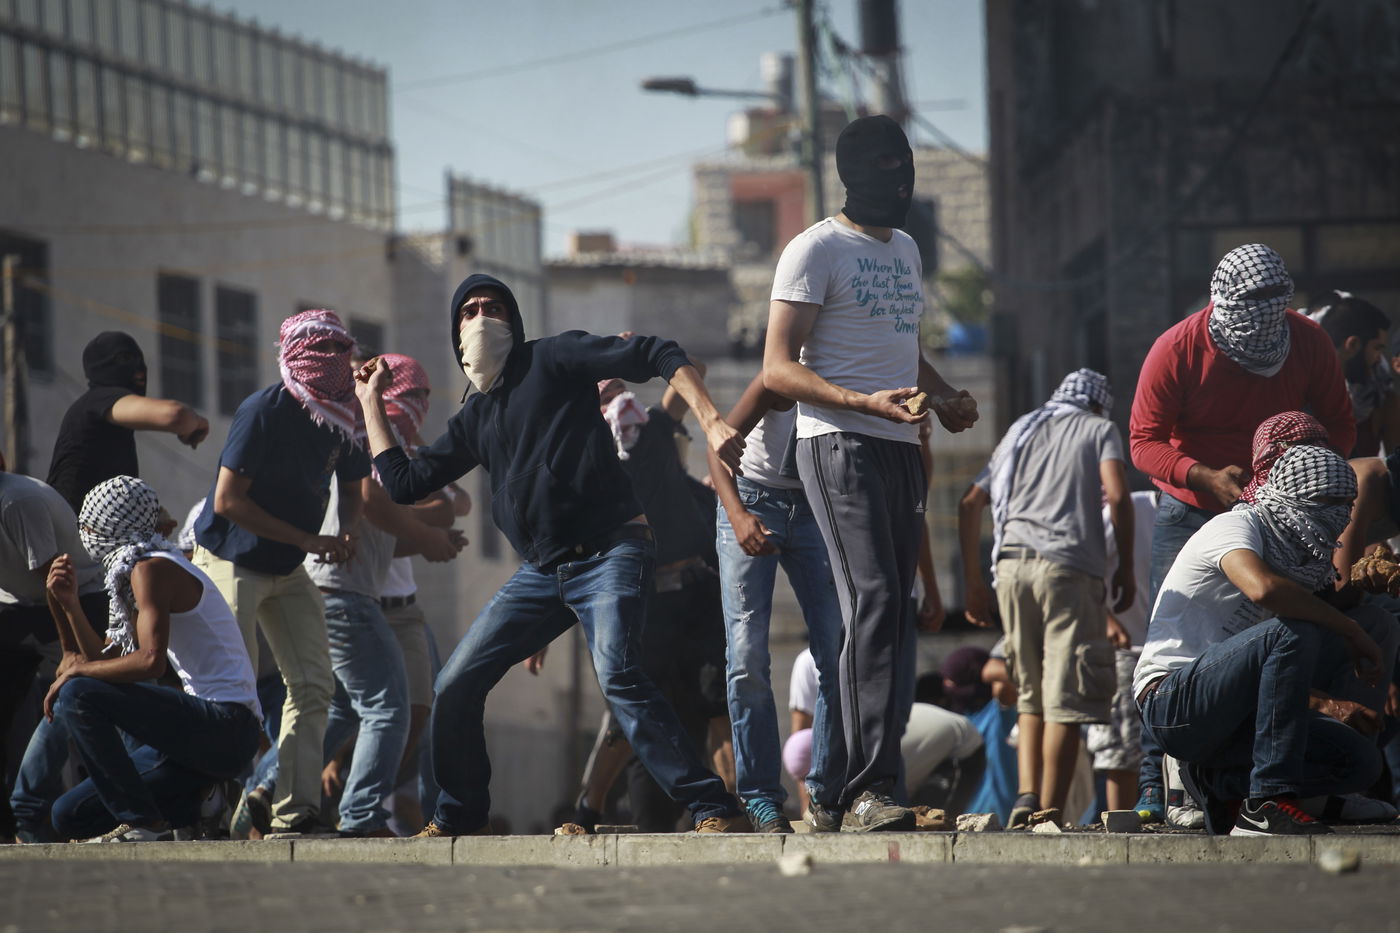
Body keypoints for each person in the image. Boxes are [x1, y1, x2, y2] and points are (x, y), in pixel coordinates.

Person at [356, 272, 747, 837]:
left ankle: (713, 806)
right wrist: (370, 401)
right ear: (455, 334)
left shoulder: (554, 358)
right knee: (454, 684)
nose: (482, 317)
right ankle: (458, 815)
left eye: (494, 307)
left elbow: (657, 351)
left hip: (612, 549)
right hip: (543, 572)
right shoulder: (474, 418)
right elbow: (403, 482)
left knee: (617, 672)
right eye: (469, 311)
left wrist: (710, 419)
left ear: (514, 322)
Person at [762, 114, 978, 832]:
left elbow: (899, 348)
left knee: (897, 614)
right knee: (875, 600)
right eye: (885, 165)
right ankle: (864, 788)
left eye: (905, 163)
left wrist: (942, 396)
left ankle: (834, 791)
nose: (901, 177)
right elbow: (777, 366)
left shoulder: (908, 249)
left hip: (899, 444)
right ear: (853, 173)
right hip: (835, 443)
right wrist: (860, 401)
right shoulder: (814, 249)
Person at [1128, 242, 1355, 820]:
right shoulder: (1177, 348)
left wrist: (1298, 485)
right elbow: (1143, 442)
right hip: (1193, 510)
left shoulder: (1306, 340)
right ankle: (1159, 791)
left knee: (1271, 637)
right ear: (1222, 308)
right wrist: (1202, 475)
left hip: (1282, 513)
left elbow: (1339, 427)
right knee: (1173, 641)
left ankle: (1234, 777)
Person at [1134, 446, 1385, 836]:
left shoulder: (1301, 558)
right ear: (1297, 496)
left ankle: (1217, 783)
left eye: (1347, 505)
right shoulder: (1237, 527)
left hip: (1238, 712)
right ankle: (1266, 802)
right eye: (1329, 502)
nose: (1341, 516)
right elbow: (1263, 589)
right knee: (1292, 629)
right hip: (1174, 701)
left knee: (1358, 761)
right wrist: (1348, 633)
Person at [192, 309, 369, 836]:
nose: (335, 361)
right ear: (296, 355)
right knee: (228, 698)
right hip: (231, 560)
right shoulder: (264, 409)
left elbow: (357, 486)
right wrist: (309, 540)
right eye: (324, 351)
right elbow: (227, 502)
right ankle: (201, 809)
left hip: (288, 568)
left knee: (315, 686)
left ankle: (297, 812)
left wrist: (349, 530)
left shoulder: (344, 413)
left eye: (342, 350)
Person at [959, 368, 1134, 825]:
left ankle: (1024, 797)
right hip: (1068, 570)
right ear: (1098, 405)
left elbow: (970, 503)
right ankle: (1048, 814)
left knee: (1030, 693)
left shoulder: (1021, 429)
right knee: (1067, 698)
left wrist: (975, 583)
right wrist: (1126, 568)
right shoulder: (1099, 429)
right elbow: (1117, 495)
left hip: (1011, 568)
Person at [43, 476, 261, 842]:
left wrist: (78, 670)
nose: (84, 534)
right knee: (68, 816)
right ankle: (202, 801)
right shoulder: (133, 570)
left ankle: (144, 820)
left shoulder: (152, 569)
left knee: (78, 692)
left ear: (114, 526)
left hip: (227, 725)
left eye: (90, 525)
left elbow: (150, 663)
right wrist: (69, 605)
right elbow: (104, 660)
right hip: (199, 739)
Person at [706, 373, 845, 833]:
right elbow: (716, 449)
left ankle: (826, 792)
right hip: (752, 499)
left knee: (839, 651)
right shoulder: (774, 381)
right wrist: (739, 516)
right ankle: (761, 796)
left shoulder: (840, 379)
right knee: (746, 657)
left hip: (814, 508)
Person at [0, 451, 108, 843]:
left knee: (68, 697)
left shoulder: (16, 500)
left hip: (77, 599)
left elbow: (57, 580)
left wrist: (69, 652)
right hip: (20, 605)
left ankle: (28, 816)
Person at [47, 332, 209, 514]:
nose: (140, 367)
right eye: (125, 358)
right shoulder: (100, 399)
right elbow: (176, 416)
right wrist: (198, 422)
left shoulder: (110, 417)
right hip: (71, 533)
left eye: (140, 358)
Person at [1085, 490, 1157, 813]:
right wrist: (1106, 619)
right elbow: (1081, 570)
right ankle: (1121, 824)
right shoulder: (1131, 508)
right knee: (1122, 753)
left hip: (1166, 651)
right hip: (1124, 649)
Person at [1309, 291, 1394, 457]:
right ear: (1353, 344)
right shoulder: (1301, 393)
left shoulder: (1381, 401)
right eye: (1376, 348)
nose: (1378, 359)